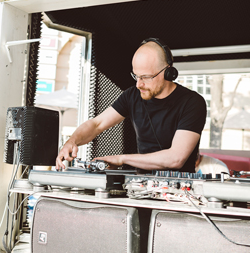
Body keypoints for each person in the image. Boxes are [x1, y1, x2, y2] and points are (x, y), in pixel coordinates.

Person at [56, 38, 207, 173]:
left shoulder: (193, 103)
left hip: (179, 192)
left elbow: (176, 158)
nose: (139, 84)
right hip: (140, 187)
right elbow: (96, 124)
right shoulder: (132, 95)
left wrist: (122, 159)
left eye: (146, 77)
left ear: (168, 73)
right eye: (136, 76)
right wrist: (72, 141)